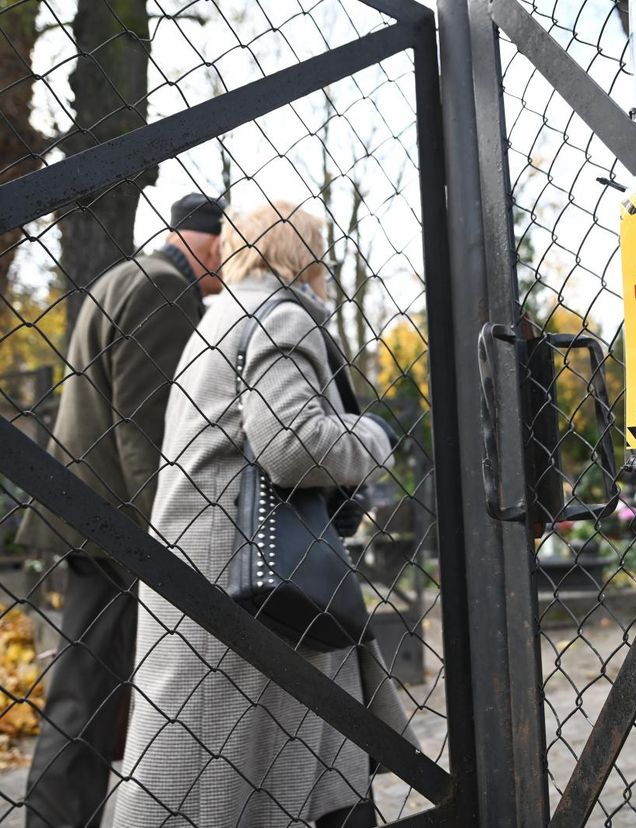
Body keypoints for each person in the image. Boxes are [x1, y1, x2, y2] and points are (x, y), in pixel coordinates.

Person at [113, 201, 411, 828]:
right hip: (256, 587)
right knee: (282, 775)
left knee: (221, 772)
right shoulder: (279, 316)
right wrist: (375, 436)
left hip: (207, 573)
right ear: (302, 254)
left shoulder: (220, 316)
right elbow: (293, 445)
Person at [16, 193, 228, 828]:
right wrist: (170, 540)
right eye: (229, 256)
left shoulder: (126, 273)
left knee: (92, 695)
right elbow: (147, 434)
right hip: (118, 529)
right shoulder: (166, 289)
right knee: (87, 704)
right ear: (211, 245)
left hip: (91, 516)